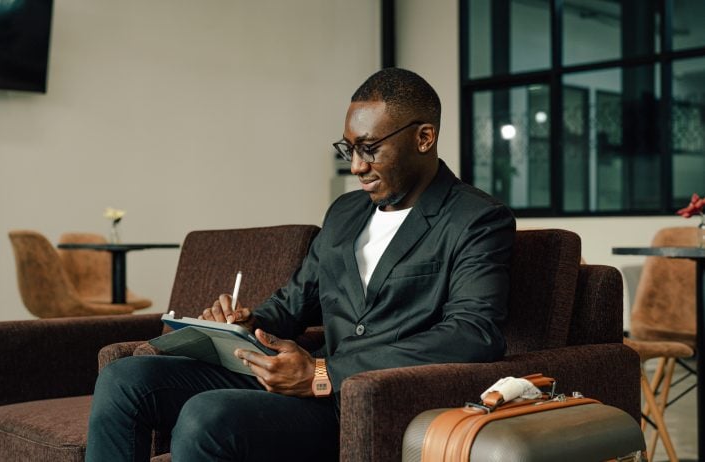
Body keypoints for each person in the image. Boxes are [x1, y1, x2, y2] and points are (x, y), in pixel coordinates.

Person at [85, 68, 515, 462]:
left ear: (424, 137)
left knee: (206, 415)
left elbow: (472, 335)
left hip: (368, 400)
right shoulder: (345, 212)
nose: (357, 166)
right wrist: (246, 322)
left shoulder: (476, 219)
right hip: (302, 381)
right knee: (126, 379)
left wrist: (323, 374)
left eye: (370, 149)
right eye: (349, 148)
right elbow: (295, 302)